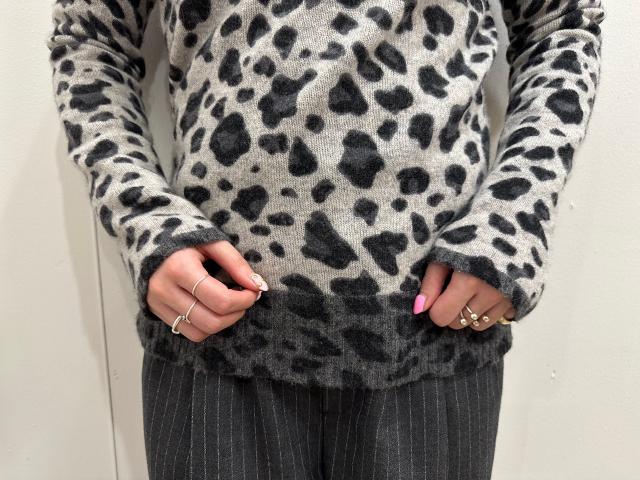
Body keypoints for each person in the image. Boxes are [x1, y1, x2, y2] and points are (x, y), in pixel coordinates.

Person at [47, 0, 605, 478]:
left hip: (430, 338)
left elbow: (563, 27)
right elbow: (89, 42)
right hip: (214, 334)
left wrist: (510, 223)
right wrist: (145, 219)